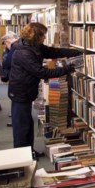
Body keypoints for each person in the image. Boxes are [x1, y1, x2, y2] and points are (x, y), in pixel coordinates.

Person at [8, 22, 81, 157]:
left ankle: (28, 152)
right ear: (36, 36)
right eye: (43, 35)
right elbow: (42, 72)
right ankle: (20, 156)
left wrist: (76, 52)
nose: (45, 38)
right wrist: (66, 69)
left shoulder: (34, 46)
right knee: (21, 126)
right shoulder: (23, 52)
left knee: (27, 123)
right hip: (20, 92)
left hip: (26, 91)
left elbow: (54, 52)